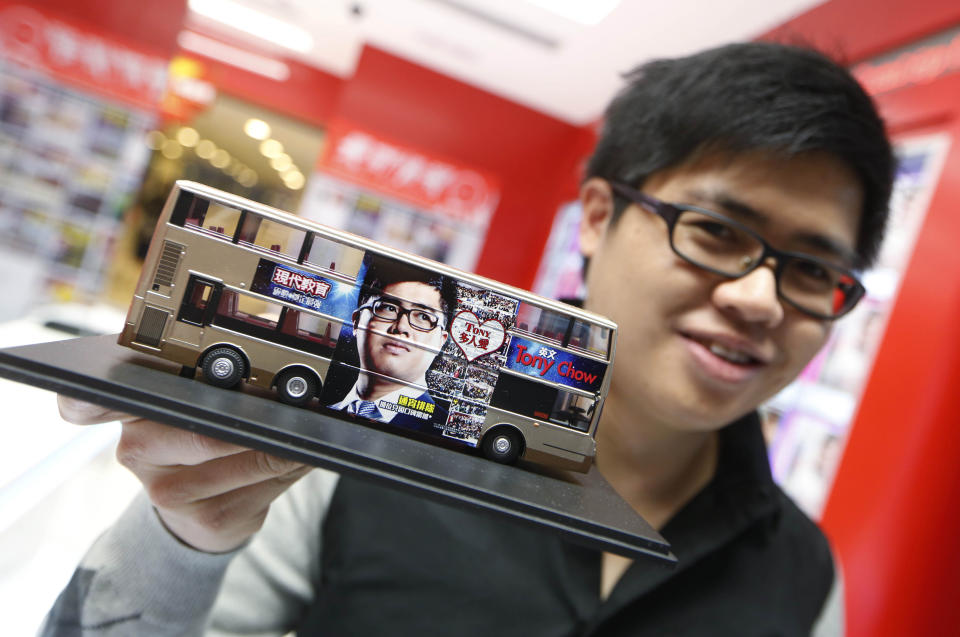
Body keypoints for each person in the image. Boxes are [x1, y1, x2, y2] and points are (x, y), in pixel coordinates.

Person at [42, 41, 893, 636]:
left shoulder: (807, 580)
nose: (758, 297)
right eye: (713, 229)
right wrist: (187, 534)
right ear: (598, 216)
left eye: (813, 270)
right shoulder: (365, 437)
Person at [322, 258, 455, 431]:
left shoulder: (442, 429)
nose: (401, 327)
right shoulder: (331, 408)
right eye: (388, 308)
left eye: (423, 317)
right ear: (356, 323)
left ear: (440, 341)